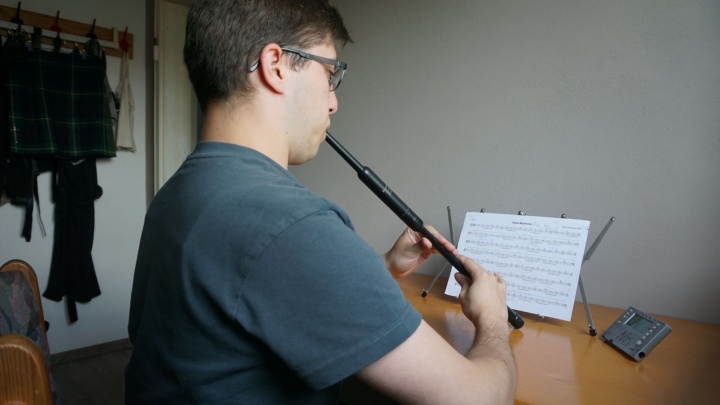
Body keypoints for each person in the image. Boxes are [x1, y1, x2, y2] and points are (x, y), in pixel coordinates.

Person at [125, 0, 517, 403]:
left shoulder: (180, 191)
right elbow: (481, 399)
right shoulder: (291, 223)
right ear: (275, 64)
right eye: (330, 74)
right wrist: (492, 320)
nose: (333, 102)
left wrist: (382, 266)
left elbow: (255, 290)